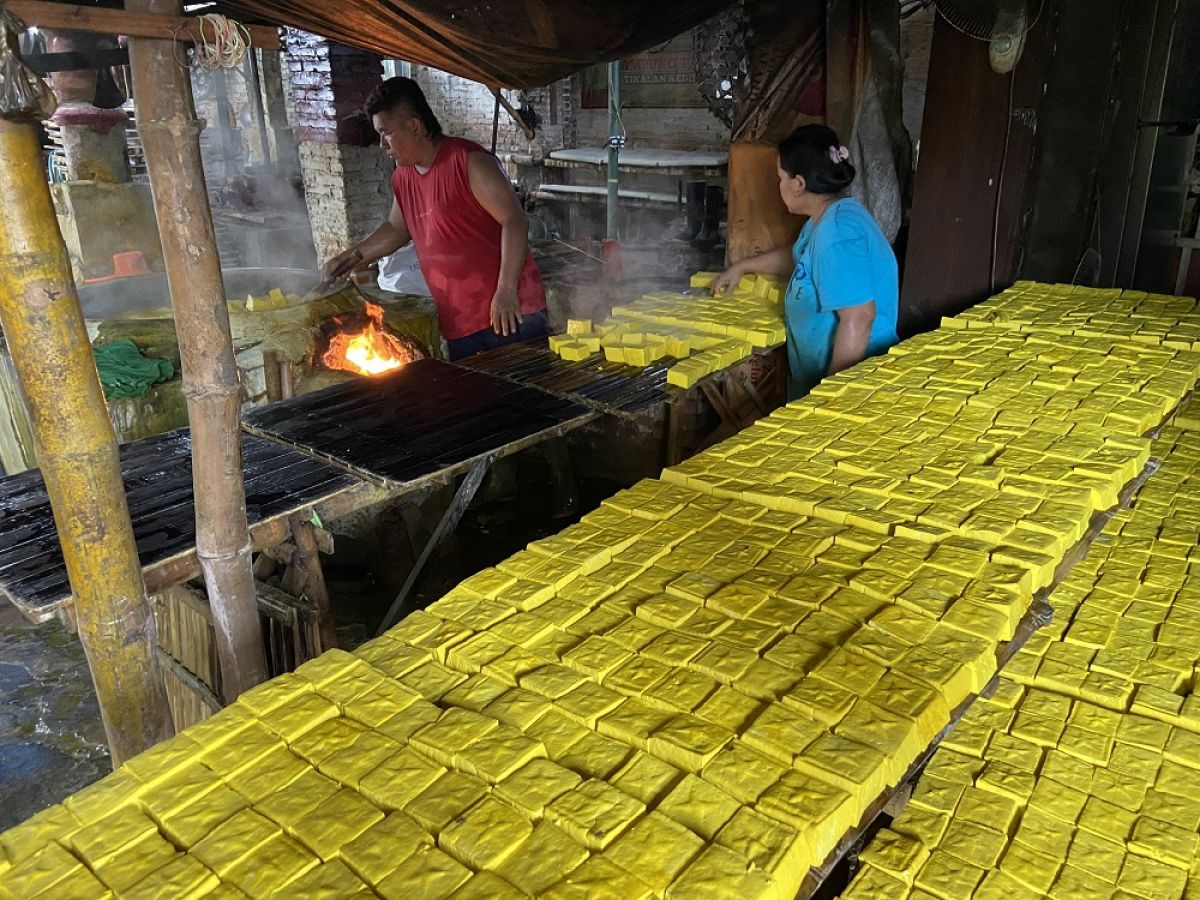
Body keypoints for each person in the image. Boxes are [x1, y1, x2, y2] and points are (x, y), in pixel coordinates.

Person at [323, 77, 549, 361]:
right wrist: (348, 258)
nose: (382, 144)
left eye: (386, 133)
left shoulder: (468, 161)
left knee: (528, 401)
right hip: (459, 320)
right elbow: (396, 228)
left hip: (510, 311)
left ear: (414, 127)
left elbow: (514, 221)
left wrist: (505, 290)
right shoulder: (402, 178)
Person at [715, 124, 899, 400]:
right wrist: (742, 267)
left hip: (851, 392)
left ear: (799, 184)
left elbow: (859, 317)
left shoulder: (837, 233)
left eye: (780, 178)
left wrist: (831, 399)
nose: (779, 186)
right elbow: (802, 259)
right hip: (817, 382)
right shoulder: (828, 219)